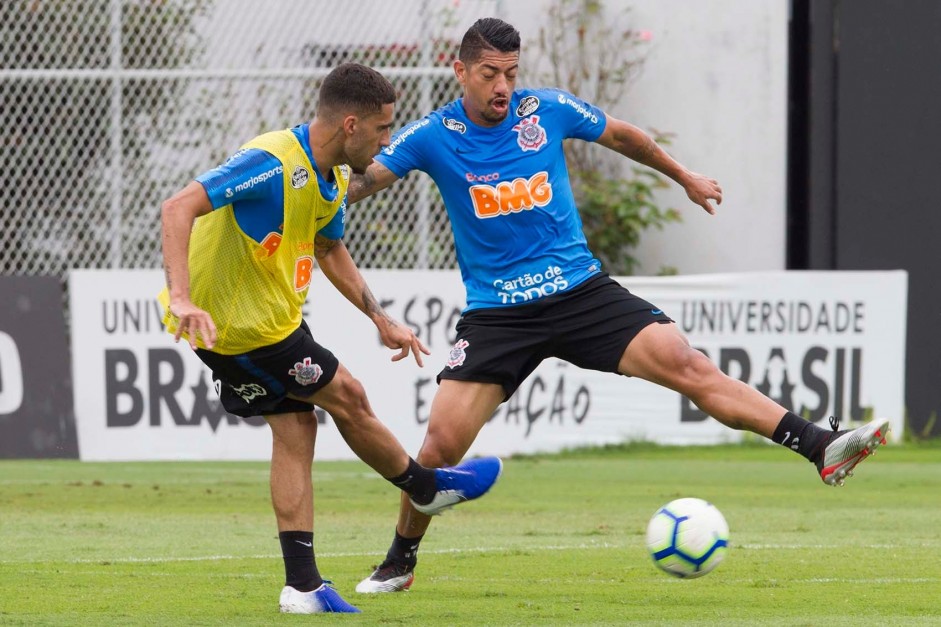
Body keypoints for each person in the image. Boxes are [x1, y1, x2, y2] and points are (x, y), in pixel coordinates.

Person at [347, 18, 890, 594]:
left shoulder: (546, 110)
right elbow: (366, 179)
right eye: (489, 74)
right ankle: (400, 560)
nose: (503, 85)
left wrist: (682, 175)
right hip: (499, 314)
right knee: (439, 447)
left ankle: (819, 446)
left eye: (510, 72)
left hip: (582, 293)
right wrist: (317, 179)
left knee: (690, 366)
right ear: (460, 72)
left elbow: (625, 136)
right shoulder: (433, 134)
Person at [157, 62, 503, 614]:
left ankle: (302, 587)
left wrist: (379, 318)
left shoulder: (335, 177)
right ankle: (423, 486)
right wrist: (181, 297)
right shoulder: (272, 162)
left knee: (296, 431)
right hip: (239, 330)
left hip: (273, 322)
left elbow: (327, 246)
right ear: (350, 124)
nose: (389, 141)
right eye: (384, 129)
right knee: (349, 395)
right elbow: (178, 207)